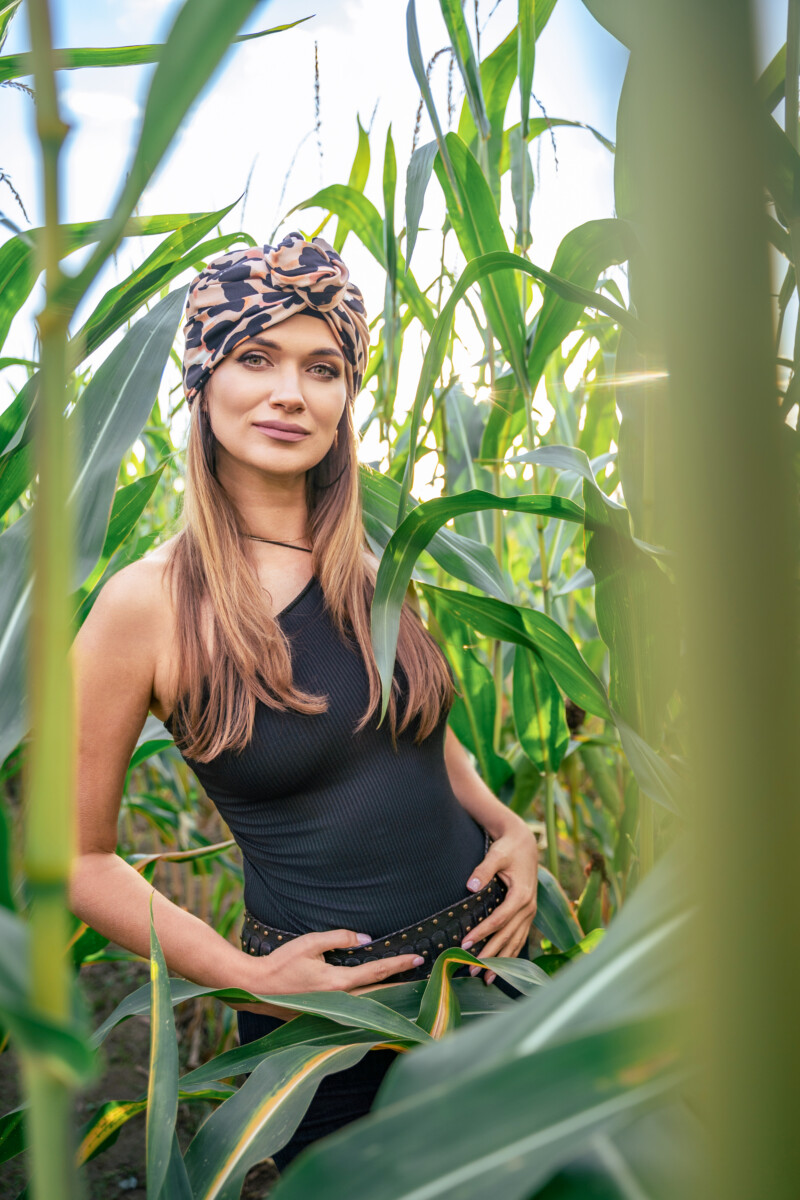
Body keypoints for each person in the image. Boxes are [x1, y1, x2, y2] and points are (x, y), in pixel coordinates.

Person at [69, 232, 539, 1173]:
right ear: (203, 382)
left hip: (491, 969)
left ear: (343, 399)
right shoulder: (146, 603)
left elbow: (419, 739)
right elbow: (70, 855)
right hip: (329, 1020)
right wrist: (247, 978)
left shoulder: (371, 566)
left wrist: (508, 825)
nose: (291, 392)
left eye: (322, 368)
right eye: (256, 357)